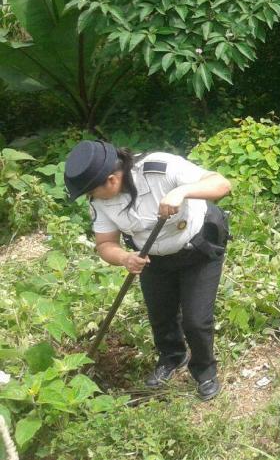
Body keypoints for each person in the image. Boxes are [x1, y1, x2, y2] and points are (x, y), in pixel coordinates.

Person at [64, 140, 232, 401]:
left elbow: (221, 184)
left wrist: (183, 191)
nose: (91, 197)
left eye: (93, 191)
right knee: (160, 315)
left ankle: (204, 371)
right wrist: (124, 258)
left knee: (196, 320)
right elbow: (105, 243)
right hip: (151, 257)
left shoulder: (160, 168)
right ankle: (172, 357)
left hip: (198, 248)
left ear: (111, 180)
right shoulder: (99, 202)